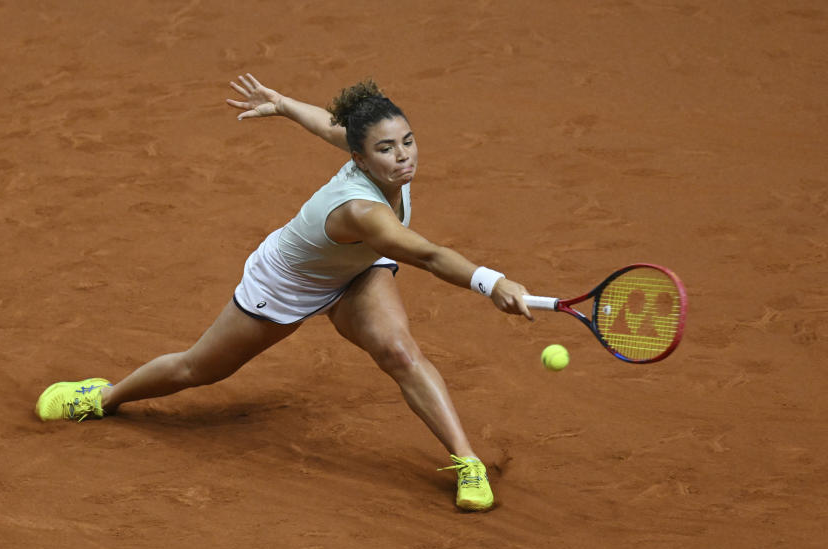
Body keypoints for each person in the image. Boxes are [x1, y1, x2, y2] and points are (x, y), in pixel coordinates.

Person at [35, 74, 533, 512]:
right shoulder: (361, 210)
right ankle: (104, 396)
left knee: (400, 352)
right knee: (198, 369)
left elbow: (327, 125)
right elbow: (425, 254)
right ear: (360, 156)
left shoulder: (374, 157)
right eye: (386, 149)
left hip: (355, 270)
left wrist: (284, 105)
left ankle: (468, 463)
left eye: (407, 141)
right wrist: (492, 282)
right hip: (287, 283)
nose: (402, 156)